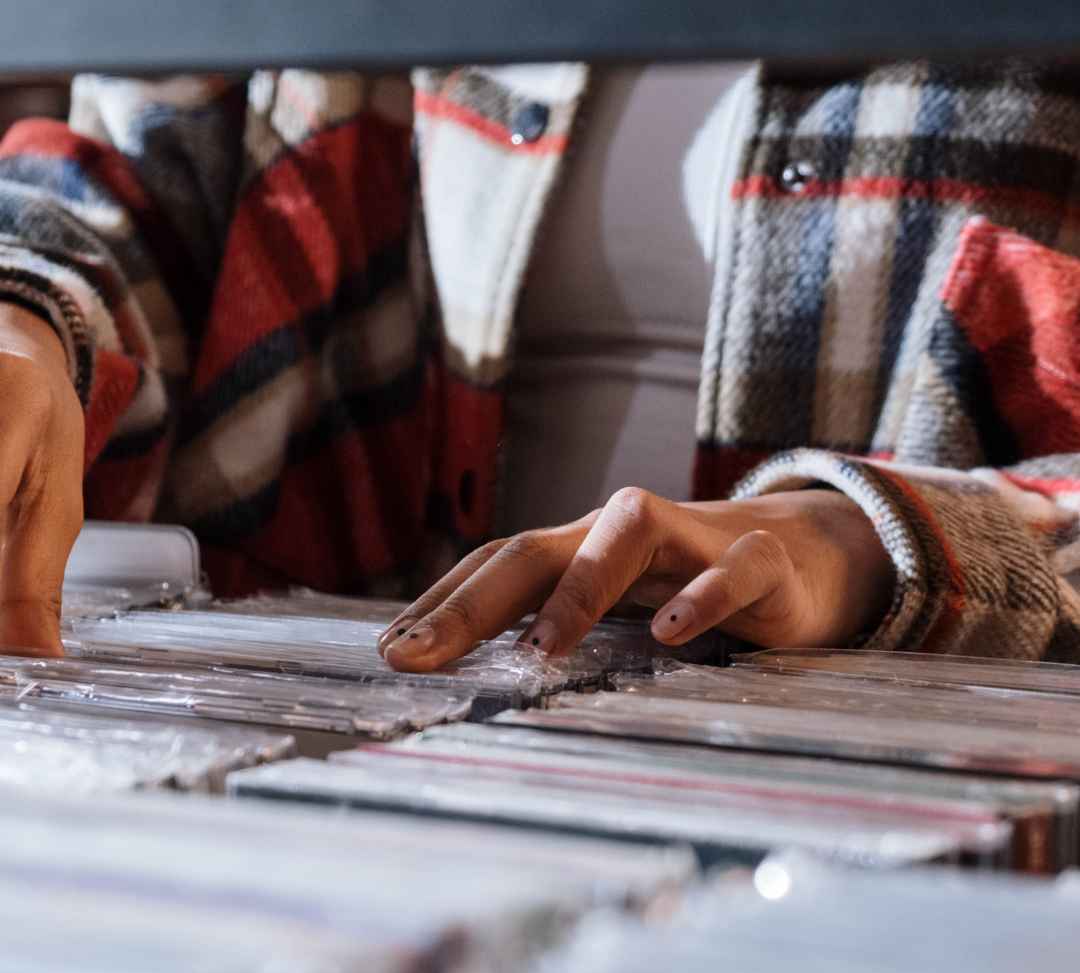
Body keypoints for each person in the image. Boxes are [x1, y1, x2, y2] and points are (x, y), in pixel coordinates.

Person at [0, 61, 1078, 666]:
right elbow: (138, 192)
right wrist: (25, 321)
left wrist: (868, 542)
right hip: (369, 747)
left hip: (903, 761)